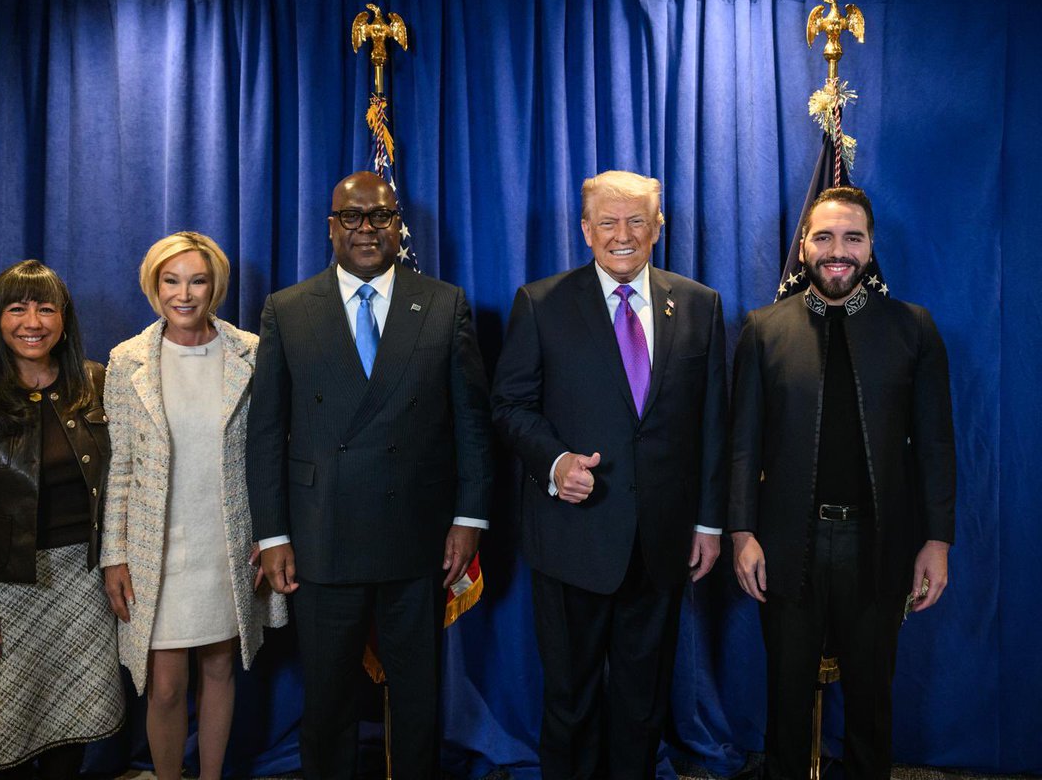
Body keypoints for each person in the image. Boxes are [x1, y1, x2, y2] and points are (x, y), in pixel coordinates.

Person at [246, 170, 494, 779]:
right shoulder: (287, 309)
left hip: (417, 537)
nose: (366, 229)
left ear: (397, 226)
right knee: (327, 699)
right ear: (331, 228)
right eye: (351, 218)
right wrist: (273, 534)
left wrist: (469, 520)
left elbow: (472, 424)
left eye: (379, 217)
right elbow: (265, 432)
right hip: (320, 535)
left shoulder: (443, 303)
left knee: (416, 696)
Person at [491, 170, 727, 778]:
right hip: (572, 539)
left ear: (658, 227)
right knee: (569, 701)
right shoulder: (541, 303)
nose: (622, 235)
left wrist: (707, 522)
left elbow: (711, 424)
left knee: (642, 702)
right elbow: (509, 406)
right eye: (607, 222)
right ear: (585, 230)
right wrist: (556, 461)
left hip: (662, 541)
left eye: (637, 221)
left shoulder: (699, 304)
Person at [728, 186, 956, 779]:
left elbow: (935, 446)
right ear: (803, 246)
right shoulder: (763, 329)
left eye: (852, 238)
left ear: (870, 246)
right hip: (783, 543)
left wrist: (937, 541)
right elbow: (743, 444)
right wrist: (741, 532)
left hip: (878, 546)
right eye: (824, 237)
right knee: (786, 700)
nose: (838, 251)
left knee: (872, 703)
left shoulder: (913, 329)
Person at [0, 260, 124, 778]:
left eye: (45, 307)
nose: (31, 321)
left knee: (73, 724)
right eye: (17, 308)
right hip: (4, 587)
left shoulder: (96, 384)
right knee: (5, 733)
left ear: (63, 318)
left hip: (84, 586)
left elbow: (128, 482)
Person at [100, 232, 287, 780]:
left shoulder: (250, 354)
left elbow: (271, 452)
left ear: (216, 287)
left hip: (227, 539)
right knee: (163, 684)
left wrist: (271, 533)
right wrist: (114, 554)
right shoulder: (126, 360)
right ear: (154, 285)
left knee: (222, 665)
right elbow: (120, 469)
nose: (184, 294)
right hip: (155, 549)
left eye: (197, 280)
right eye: (171, 280)